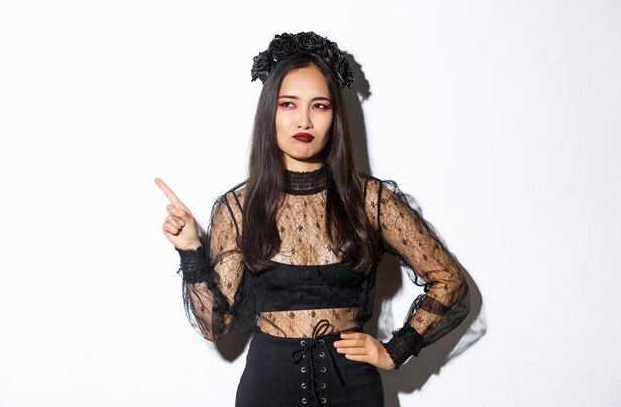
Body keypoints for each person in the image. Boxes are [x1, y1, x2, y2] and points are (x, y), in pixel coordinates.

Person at [156, 31, 470, 407]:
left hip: (354, 390)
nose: (303, 120)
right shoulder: (239, 208)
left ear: (335, 116)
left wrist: (396, 350)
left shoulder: (370, 200)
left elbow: (449, 281)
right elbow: (214, 326)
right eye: (289, 104)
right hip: (267, 390)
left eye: (319, 106)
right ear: (269, 111)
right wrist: (191, 250)